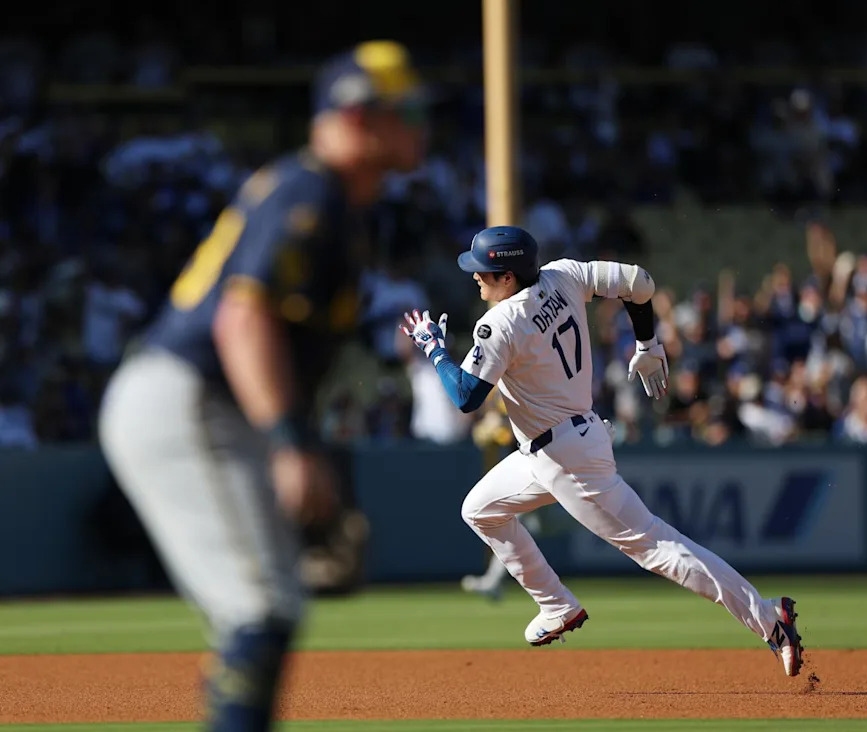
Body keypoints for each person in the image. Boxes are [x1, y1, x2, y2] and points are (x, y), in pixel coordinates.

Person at [99, 41, 427, 730]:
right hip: (188, 397)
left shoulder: (333, 200)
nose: (421, 126)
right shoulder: (312, 190)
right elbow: (242, 316)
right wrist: (289, 445)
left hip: (205, 403)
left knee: (267, 607)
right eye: (409, 111)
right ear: (362, 118)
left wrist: (296, 443)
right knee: (261, 606)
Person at [401, 225, 803, 677]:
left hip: (566, 457)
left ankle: (770, 619)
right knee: (480, 509)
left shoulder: (500, 323)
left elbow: (467, 398)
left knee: (658, 547)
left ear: (508, 277)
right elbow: (641, 284)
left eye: (484, 271)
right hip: (560, 443)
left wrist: (433, 348)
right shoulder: (563, 274)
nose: (475, 277)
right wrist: (648, 343)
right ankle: (556, 605)